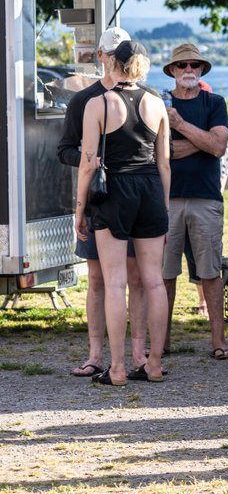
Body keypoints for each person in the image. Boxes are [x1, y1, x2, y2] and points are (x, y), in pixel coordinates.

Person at [73, 40, 171, 386]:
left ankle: (115, 368)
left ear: (113, 62)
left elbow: (88, 164)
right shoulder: (157, 103)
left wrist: (79, 208)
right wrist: (165, 206)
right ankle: (153, 364)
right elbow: (165, 163)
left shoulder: (98, 103)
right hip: (151, 190)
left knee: (114, 281)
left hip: (115, 189)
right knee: (154, 281)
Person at [59, 28, 147, 378]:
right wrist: (90, 157)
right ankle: (97, 355)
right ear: (100, 57)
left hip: (134, 201)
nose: (115, 59)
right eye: (110, 54)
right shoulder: (85, 101)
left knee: (137, 279)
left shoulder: (145, 96)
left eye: (120, 53)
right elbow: (64, 149)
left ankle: (138, 355)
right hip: (99, 198)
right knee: (97, 280)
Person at [160, 44, 228, 360]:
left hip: (206, 199)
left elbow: (219, 147)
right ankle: (161, 344)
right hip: (166, 200)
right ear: (173, 71)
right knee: (164, 275)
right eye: (182, 65)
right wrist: (201, 140)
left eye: (194, 65)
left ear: (201, 70)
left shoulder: (214, 102)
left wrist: (179, 128)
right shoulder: (159, 103)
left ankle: (218, 343)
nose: (188, 69)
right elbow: (162, 152)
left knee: (210, 273)